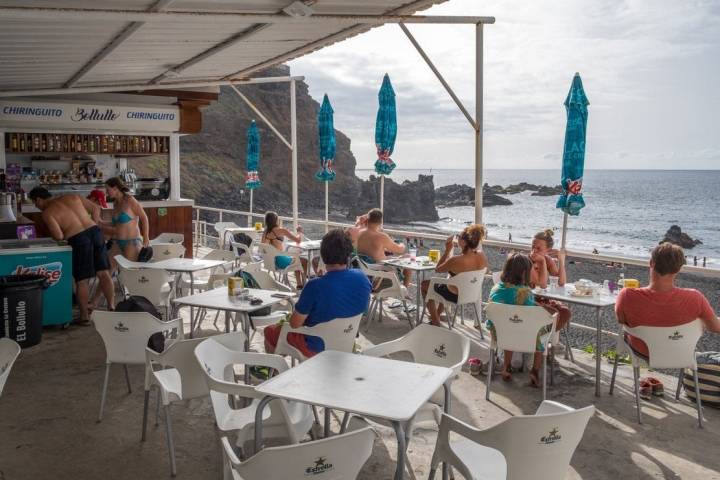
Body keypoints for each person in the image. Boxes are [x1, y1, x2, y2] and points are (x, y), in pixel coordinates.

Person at [264, 229, 371, 357]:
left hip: (316, 347)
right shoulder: (362, 278)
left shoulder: (315, 286)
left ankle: (273, 370)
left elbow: (294, 324)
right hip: (346, 342)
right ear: (349, 255)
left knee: (270, 331)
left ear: (323, 256)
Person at [616, 243, 720, 359]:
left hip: (640, 353)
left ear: (651, 263)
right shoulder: (695, 298)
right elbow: (715, 327)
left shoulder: (626, 295)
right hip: (679, 355)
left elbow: (621, 320)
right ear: (679, 268)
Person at [28, 187, 114, 325]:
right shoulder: (73, 196)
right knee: (104, 273)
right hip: (95, 232)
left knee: (82, 280)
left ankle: (84, 317)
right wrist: (94, 223)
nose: (36, 206)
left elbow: (58, 235)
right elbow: (96, 208)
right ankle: (111, 306)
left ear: (38, 199)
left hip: (78, 239)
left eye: (34, 202)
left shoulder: (47, 213)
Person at [487, 253, 551, 387]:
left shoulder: (496, 288)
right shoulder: (525, 292)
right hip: (524, 337)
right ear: (524, 273)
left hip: (499, 334)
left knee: (509, 324)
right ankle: (535, 370)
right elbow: (530, 314)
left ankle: (506, 367)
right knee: (542, 330)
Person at [421, 224, 488, 326]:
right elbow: (484, 271)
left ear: (464, 242)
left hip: (455, 295)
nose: (457, 238)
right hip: (472, 293)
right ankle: (437, 315)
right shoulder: (481, 255)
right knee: (448, 280)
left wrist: (447, 250)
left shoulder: (456, 260)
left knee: (424, 285)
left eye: (459, 237)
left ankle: (435, 322)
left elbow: (438, 269)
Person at [356, 208, 410, 286]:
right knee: (407, 257)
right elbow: (400, 250)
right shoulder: (381, 236)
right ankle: (405, 292)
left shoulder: (359, 233)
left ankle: (404, 292)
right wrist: (402, 244)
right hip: (379, 276)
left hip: (364, 272)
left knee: (392, 257)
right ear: (381, 222)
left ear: (367, 220)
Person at [530, 229, 571, 330]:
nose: (534, 250)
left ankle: (548, 336)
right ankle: (539, 337)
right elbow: (542, 285)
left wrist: (560, 260)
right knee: (554, 313)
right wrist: (543, 262)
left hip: (540, 298)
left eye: (538, 248)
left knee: (566, 312)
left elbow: (561, 282)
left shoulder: (548, 260)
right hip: (527, 299)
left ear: (548, 250)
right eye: (532, 247)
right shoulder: (528, 261)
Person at [104, 177, 149, 262]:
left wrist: (146, 237)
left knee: (129, 273)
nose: (106, 193)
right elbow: (117, 224)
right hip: (117, 242)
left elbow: (144, 217)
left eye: (107, 189)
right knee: (107, 271)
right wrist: (100, 224)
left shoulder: (130, 200)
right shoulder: (115, 203)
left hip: (132, 243)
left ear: (115, 188)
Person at [261, 211, 307, 287]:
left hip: (270, 261)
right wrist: (299, 232)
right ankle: (304, 283)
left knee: (296, 258)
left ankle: (299, 284)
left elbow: (263, 246)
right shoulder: (281, 230)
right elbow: (298, 240)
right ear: (276, 220)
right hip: (280, 261)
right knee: (303, 260)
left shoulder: (265, 232)